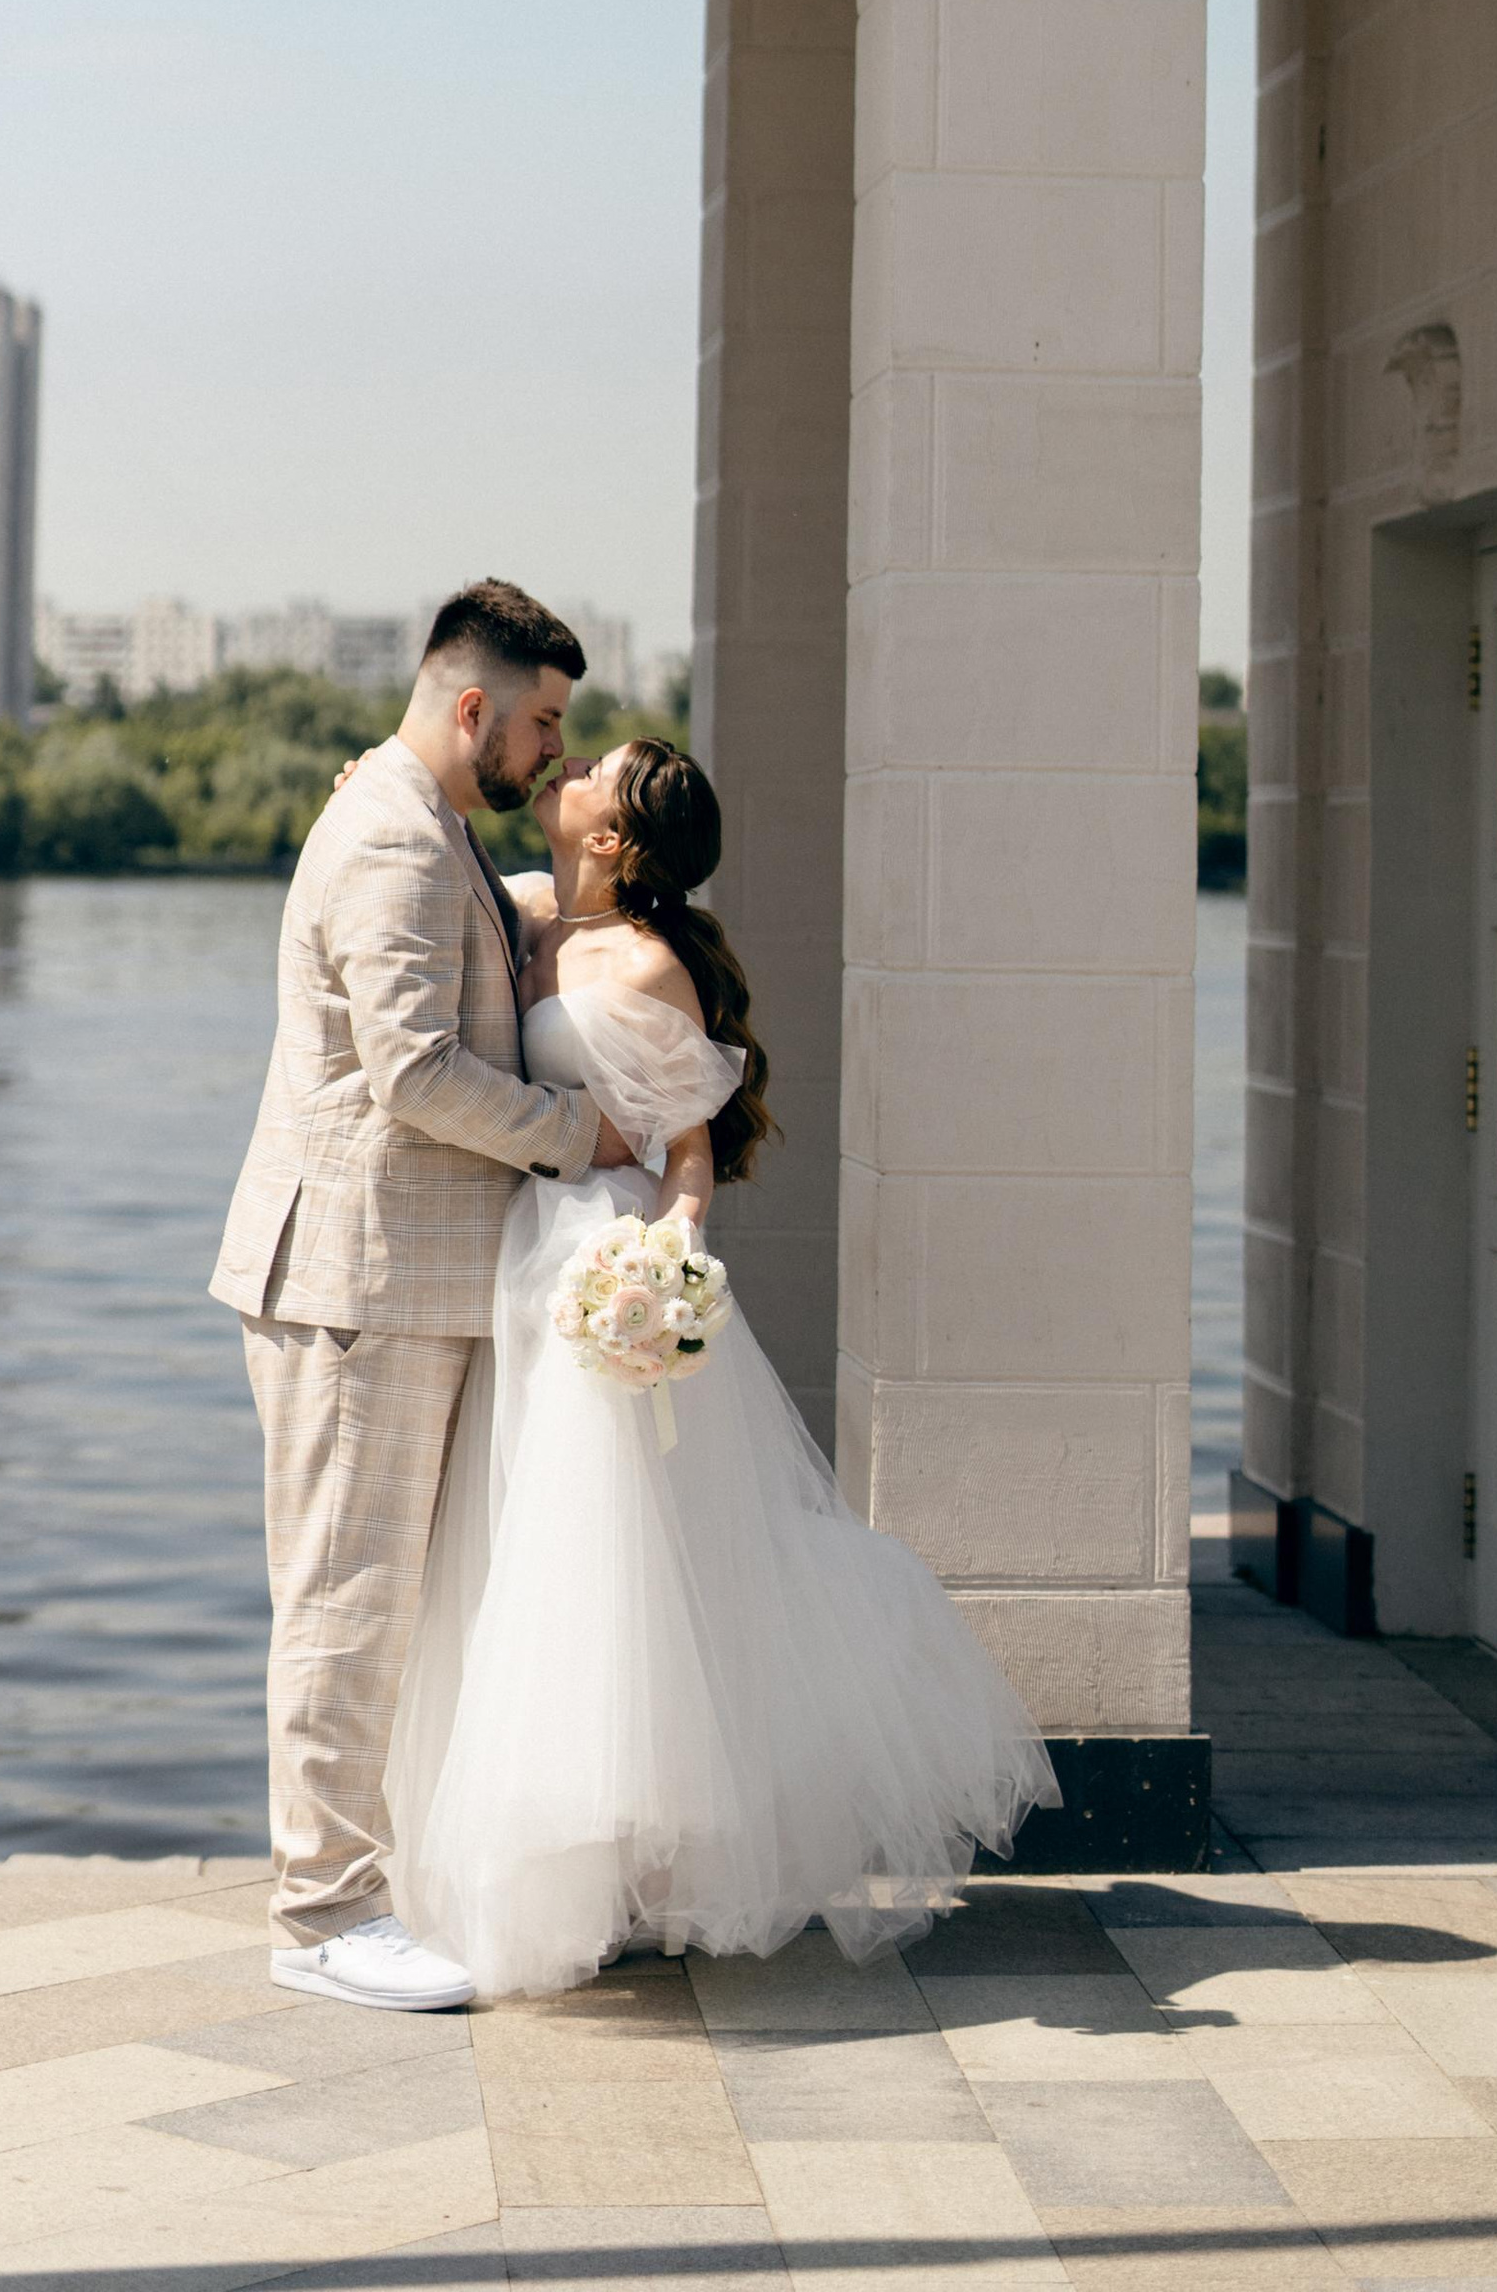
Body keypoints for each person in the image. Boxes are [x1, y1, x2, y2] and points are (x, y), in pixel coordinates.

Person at [381, 733, 1058, 2003]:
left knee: (617, 1559)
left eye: (590, 766)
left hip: (609, 1272)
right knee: (524, 1540)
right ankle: (566, 1857)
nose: (564, 765)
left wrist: (670, 1257)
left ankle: (630, 1864)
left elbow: (687, 1145)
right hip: (527, 1266)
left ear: (616, 836)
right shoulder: (526, 920)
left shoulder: (649, 965)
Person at [209, 578, 636, 2012]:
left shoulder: (424, 823)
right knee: (346, 1599)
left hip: (405, 1279)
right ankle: (323, 1914)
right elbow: (413, 1071)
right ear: (474, 706)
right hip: (355, 1279)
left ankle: (367, 1884)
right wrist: (584, 1137)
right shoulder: (393, 835)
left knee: (384, 1601)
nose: (553, 754)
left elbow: (488, 930)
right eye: (545, 724)